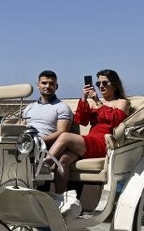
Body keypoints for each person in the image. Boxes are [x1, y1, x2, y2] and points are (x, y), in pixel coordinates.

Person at [46, 69, 129, 218]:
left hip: (103, 142)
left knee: (64, 136)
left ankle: (44, 164)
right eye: (98, 83)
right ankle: (60, 201)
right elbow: (81, 120)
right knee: (63, 160)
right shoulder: (97, 104)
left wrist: (97, 102)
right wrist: (84, 99)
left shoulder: (122, 102)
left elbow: (115, 121)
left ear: (115, 85)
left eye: (105, 83)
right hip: (90, 141)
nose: (101, 86)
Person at [20, 70, 73, 147]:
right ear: (38, 85)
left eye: (51, 84)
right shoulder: (29, 107)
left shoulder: (62, 107)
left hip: (44, 146)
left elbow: (62, 133)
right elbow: (20, 127)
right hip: (24, 143)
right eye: (44, 83)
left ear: (56, 86)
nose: (47, 86)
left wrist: (37, 141)